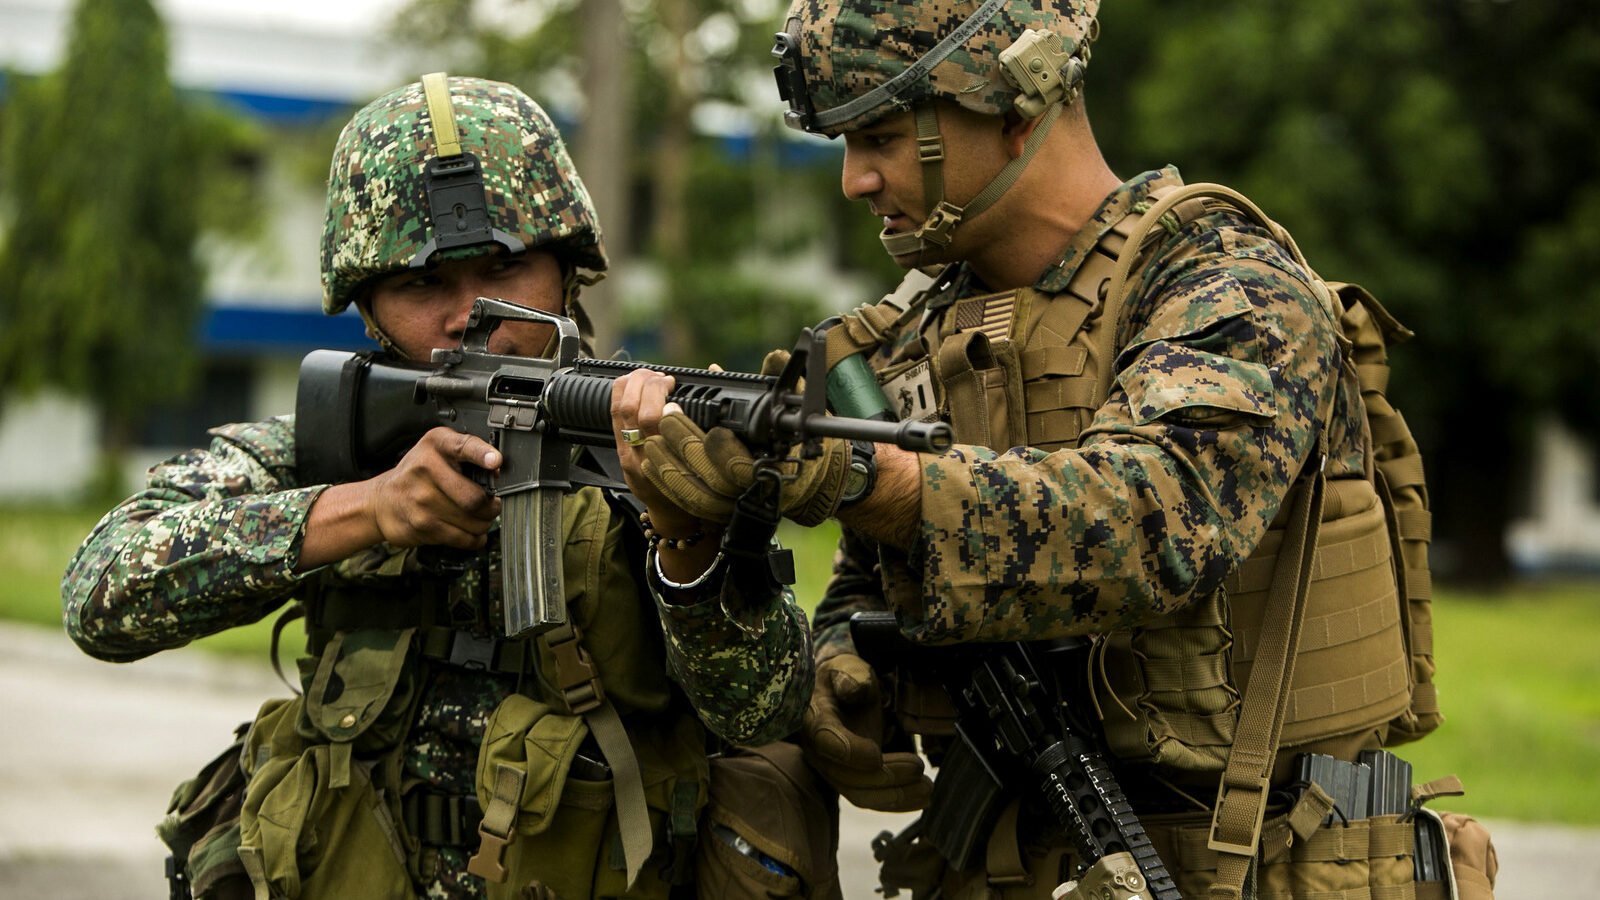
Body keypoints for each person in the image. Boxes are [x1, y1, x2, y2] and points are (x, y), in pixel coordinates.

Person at [631, 1, 1470, 897]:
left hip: (1250, 862)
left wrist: (883, 484)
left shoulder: (1227, 282)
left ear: (1016, 103)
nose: (855, 180)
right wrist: (827, 649)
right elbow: (868, 590)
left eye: (877, 134)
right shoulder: (911, 339)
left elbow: (1156, 520)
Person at [61, 74, 840, 900]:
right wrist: (369, 509)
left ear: (567, 272)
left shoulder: (649, 457)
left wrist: (687, 543)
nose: (475, 313)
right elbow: (101, 592)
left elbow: (763, 715)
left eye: (507, 267)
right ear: (368, 306)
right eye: (423, 284)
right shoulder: (333, 450)